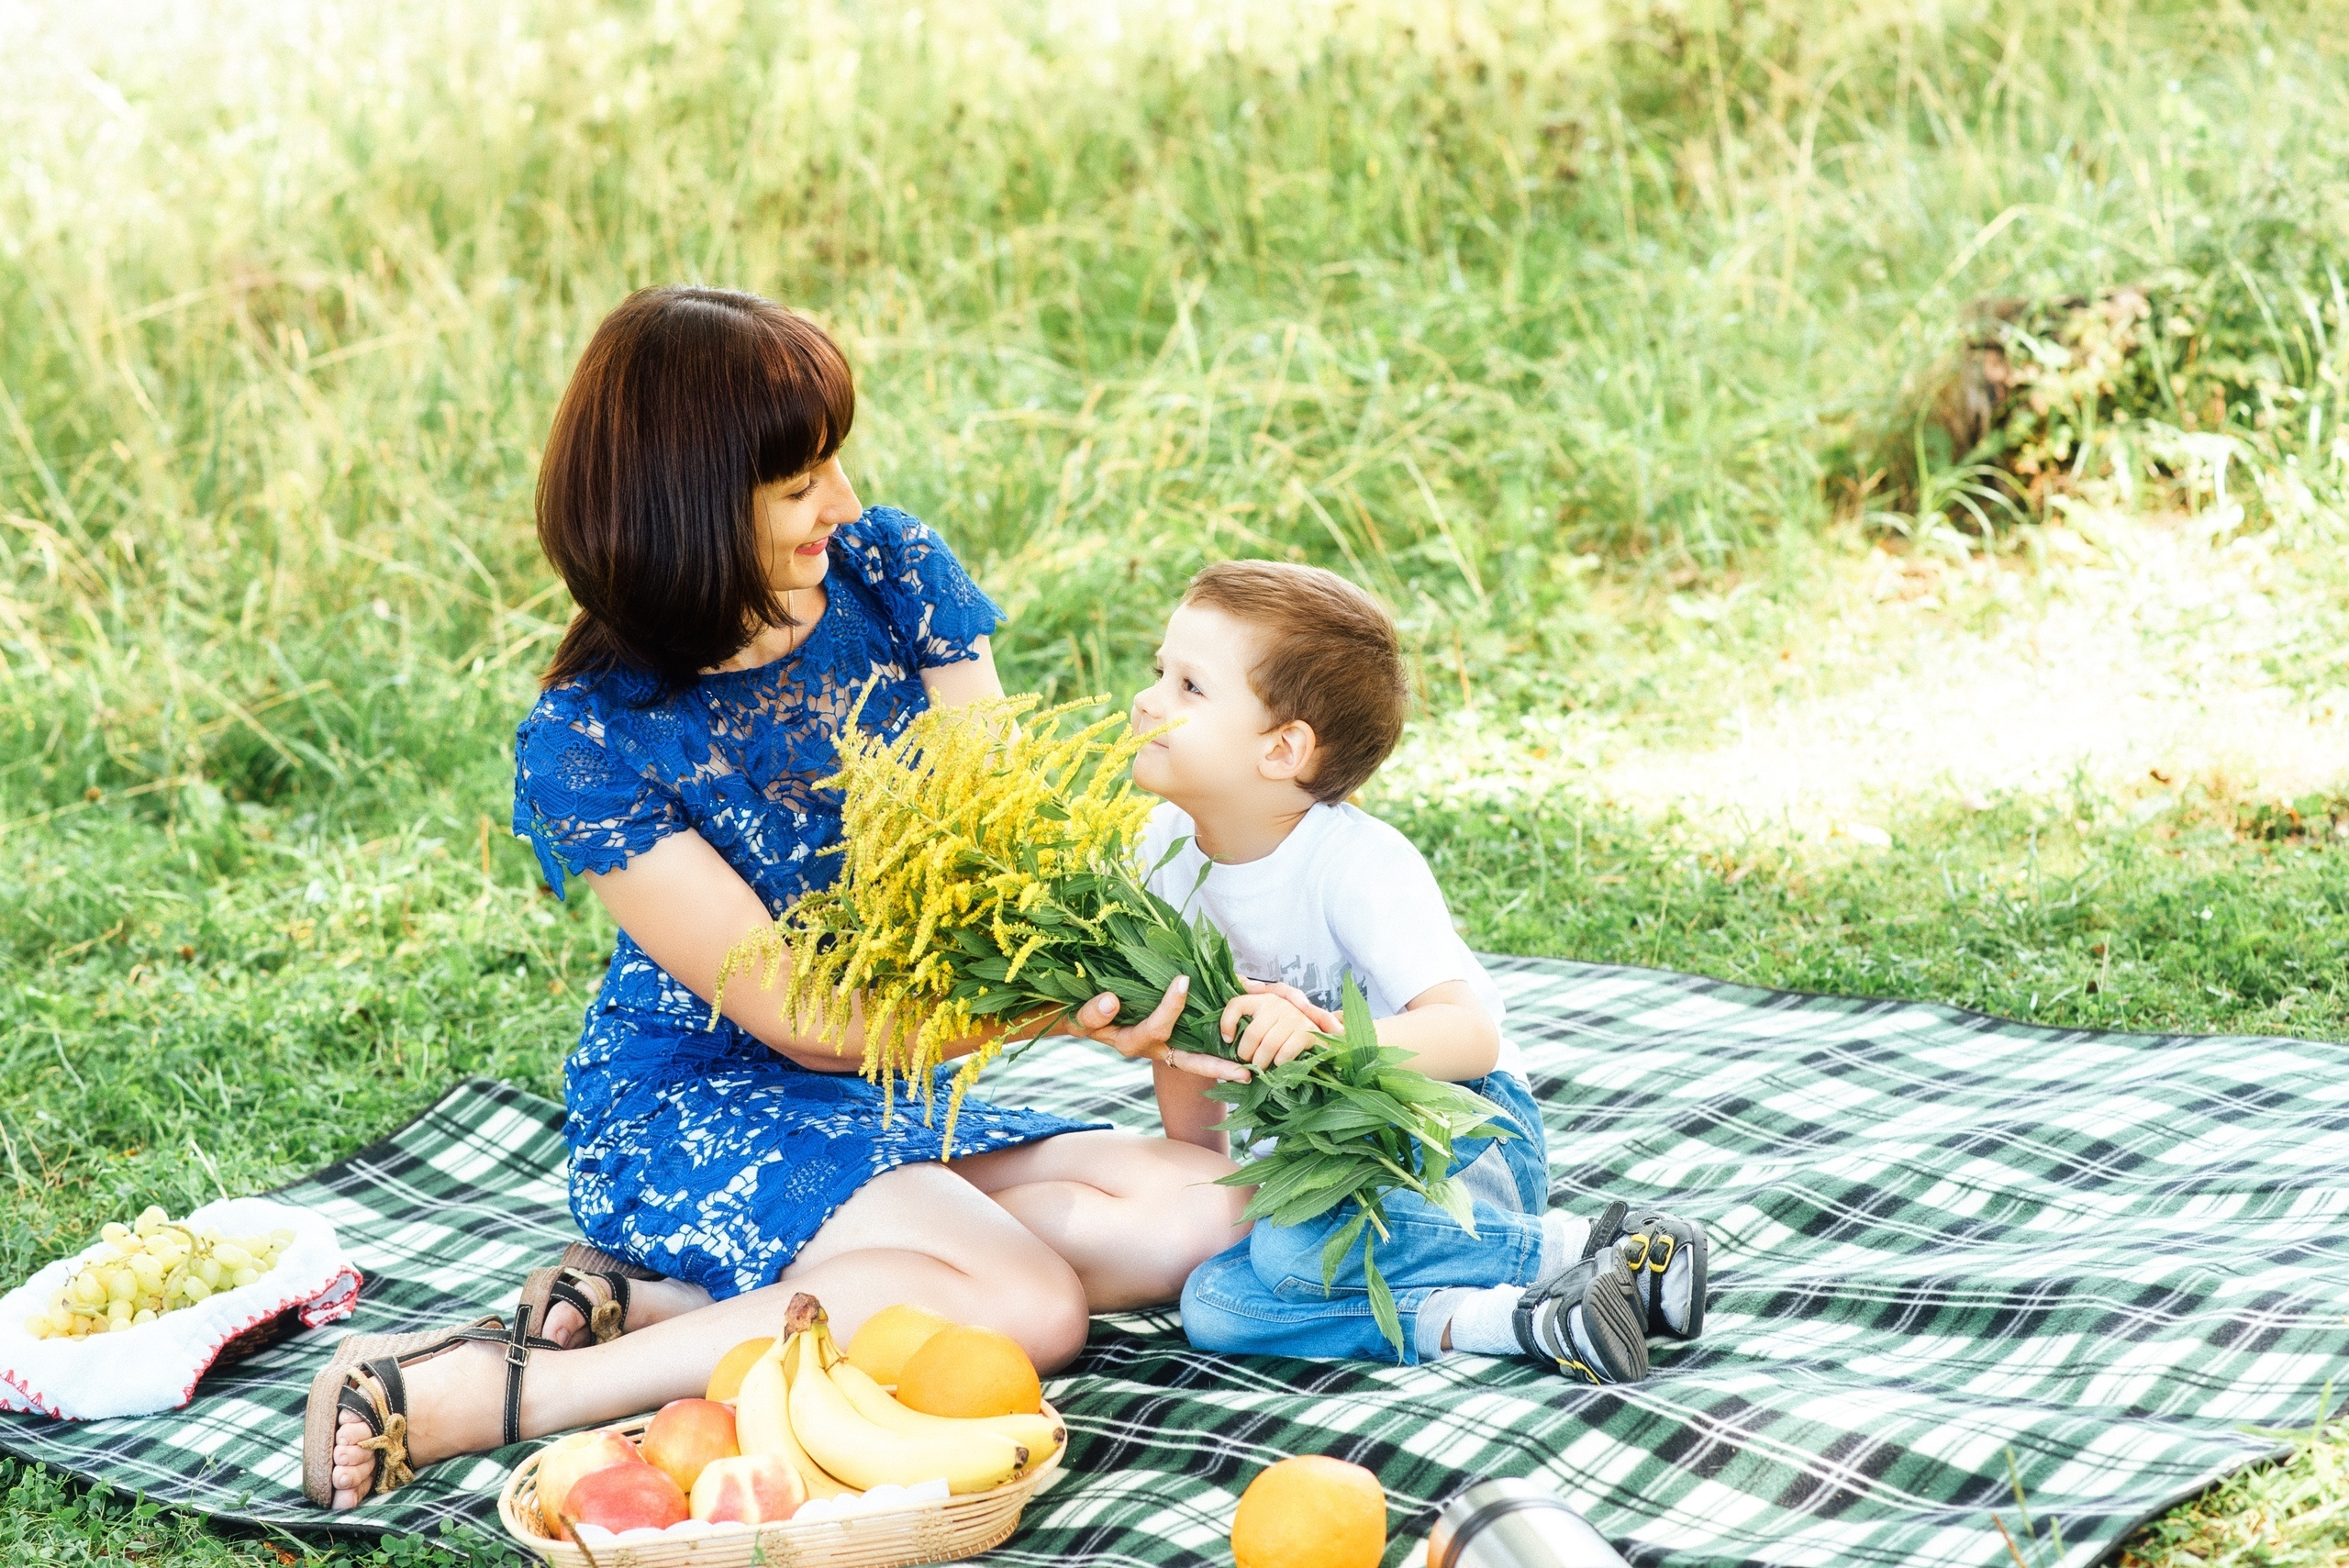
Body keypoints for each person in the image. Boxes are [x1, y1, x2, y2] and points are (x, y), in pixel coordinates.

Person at [303, 285, 1241, 1509]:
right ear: (690, 509)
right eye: (802, 484)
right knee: (1028, 1309)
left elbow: (1005, 838)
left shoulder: (892, 570)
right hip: (709, 1095)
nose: (842, 502)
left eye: (834, 465)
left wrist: (1105, 961)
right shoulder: (592, 738)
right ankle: (504, 1389)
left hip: (893, 1088)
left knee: (1210, 1212)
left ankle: (672, 1301)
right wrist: (1041, 1017)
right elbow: (801, 1013)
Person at [1131, 561, 1710, 1382]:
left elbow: (1469, 1035)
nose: (1148, 700)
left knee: (1294, 1245)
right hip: (1325, 1158)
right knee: (1218, 1304)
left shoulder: (1351, 862)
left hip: (1454, 1130)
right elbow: (1183, 1037)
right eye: (1158, 671)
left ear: (1282, 749)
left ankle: (1591, 1246)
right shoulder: (1159, 852)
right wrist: (1206, 1177)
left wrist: (1329, 1036)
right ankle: (1527, 1320)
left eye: (1189, 685)